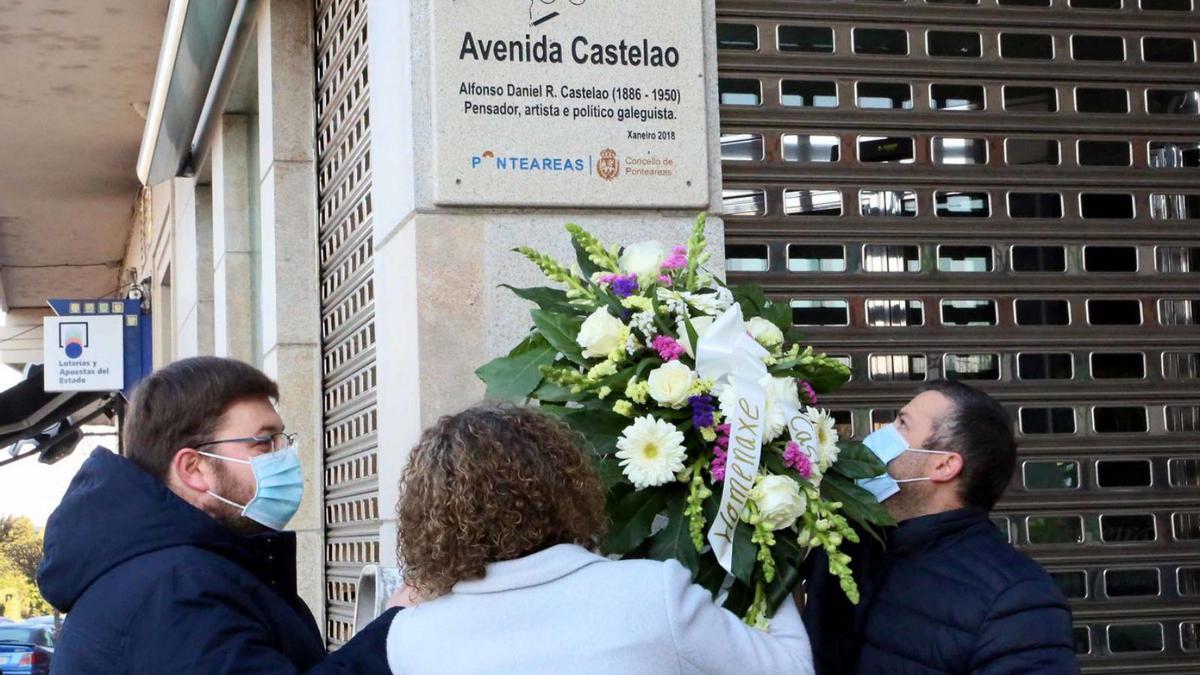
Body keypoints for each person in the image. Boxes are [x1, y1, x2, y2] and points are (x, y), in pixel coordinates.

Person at [383, 404, 815, 675]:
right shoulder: (652, 595)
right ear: (564, 485)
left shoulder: (411, 638)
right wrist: (763, 546)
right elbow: (790, 669)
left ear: (430, 518)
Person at [36, 356, 394, 673]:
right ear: (194, 468)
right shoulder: (177, 590)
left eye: (284, 440)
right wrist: (391, 638)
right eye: (264, 442)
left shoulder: (167, 572)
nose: (285, 456)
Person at [801, 380, 1079, 674]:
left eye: (902, 424)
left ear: (944, 465)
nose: (879, 435)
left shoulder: (1016, 601)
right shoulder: (845, 544)